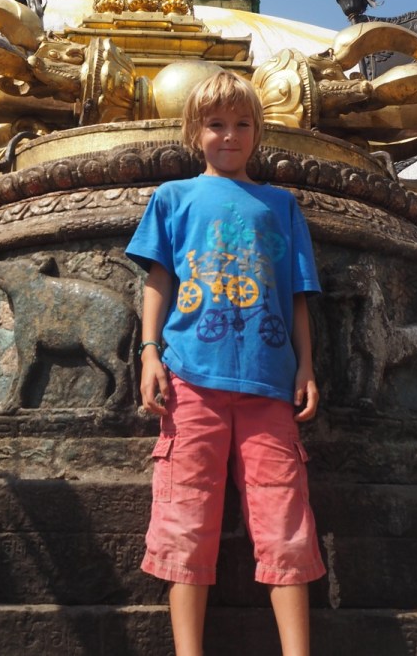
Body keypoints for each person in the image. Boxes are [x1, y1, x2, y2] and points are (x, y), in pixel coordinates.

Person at [126, 70, 325, 656]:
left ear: (258, 132)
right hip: (191, 377)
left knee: (285, 521)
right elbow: (159, 280)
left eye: (242, 125)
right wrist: (149, 352)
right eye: (216, 125)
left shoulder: (281, 205)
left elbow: (296, 295)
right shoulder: (174, 197)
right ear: (195, 131)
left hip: (269, 382)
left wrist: (306, 366)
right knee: (186, 520)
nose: (229, 136)